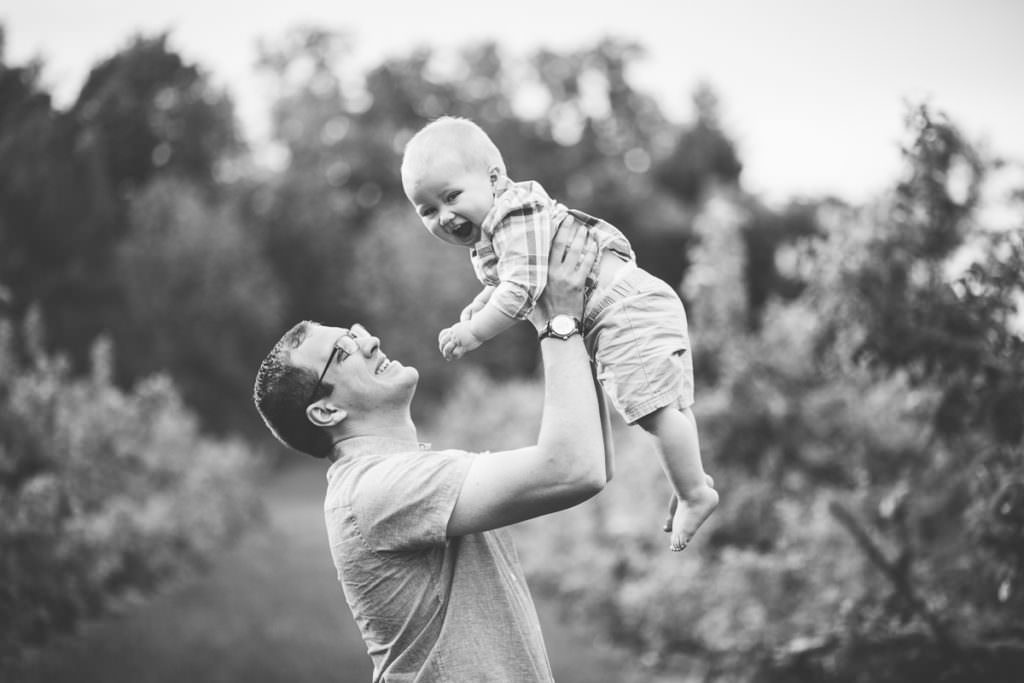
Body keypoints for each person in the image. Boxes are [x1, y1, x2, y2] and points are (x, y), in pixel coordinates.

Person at [253, 225, 608, 682]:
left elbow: (588, 457)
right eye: (343, 353)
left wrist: (575, 320)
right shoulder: (376, 491)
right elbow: (573, 469)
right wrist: (557, 320)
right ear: (325, 411)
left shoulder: (401, 475)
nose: (369, 341)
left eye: (354, 332)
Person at [400, 115, 718, 551]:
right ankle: (691, 481)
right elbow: (503, 285)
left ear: (495, 179)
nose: (445, 216)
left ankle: (695, 493)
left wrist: (473, 332)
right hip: (631, 301)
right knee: (669, 407)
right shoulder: (497, 230)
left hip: (621, 306)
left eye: (452, 196)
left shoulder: (513, 217)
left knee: (653, 410)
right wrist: (476, 307)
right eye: (428, 210)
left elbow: (520, 292)